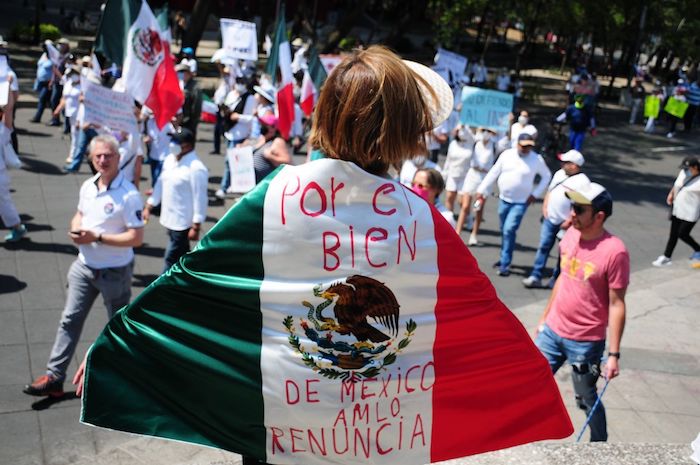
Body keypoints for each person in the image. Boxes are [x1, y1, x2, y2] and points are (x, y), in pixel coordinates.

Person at [22, 135, 144, 397]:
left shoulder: (129, 195)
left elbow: (137, 238)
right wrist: (76, 227)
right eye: (98, 156)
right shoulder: (89, 186)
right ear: (91, 158)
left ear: (118, 158)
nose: (103, 160)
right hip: (84, 266)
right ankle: (54, 376)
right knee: (69, 320)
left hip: (115, 272)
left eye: (108, 155)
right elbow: (80, 213)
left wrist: (97, 237)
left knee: (118, 326)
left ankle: (125, 378)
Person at [535, 182, 629, 442]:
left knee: (585, 398)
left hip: (585, 343)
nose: (571, 214)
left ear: (599, 216)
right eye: (571, 207)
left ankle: (599, 445)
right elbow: (562, 279)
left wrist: (613, 355)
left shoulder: (615, 251)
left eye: (578, 209)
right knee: (530, 383)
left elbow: (617, 303)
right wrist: (544, 318)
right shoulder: (569, 236)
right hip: (551, 333)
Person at [475, 133, 552, 276]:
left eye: (529, 146)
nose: (526, 149)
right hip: (504, 199)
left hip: (521, 202)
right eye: (523, 146)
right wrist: (481, 189)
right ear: (517, 144)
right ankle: (504, 256)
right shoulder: (507, 155)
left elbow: (546, 176)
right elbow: (494, 172)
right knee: (504, 229)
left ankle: (505, 262)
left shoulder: (536, 159)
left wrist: (535, 194)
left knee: (509, 230)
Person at [522, 149, 591, 288]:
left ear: (575, 166)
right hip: (550, 218)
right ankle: (536, 275)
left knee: (564, 252)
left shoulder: (583, 182)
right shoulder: (560, 174)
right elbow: (550, 189)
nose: (562, 165)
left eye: (566, 162)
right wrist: (545, 205)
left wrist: (570, 221)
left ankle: (557, 279)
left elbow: (582, 205)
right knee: (543, 247)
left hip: (566, 223)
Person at [144, 127, 208, 273]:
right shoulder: (170, 159)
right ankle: (191, 277)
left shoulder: (196, 168)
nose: (172, 143)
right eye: (173, 140)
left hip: (183, 222)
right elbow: (160, 183)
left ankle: (161, 288)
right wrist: (149, 205)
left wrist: (196, 225)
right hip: (169, 217)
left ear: (188, 146)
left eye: (177, 141)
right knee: (183, 254)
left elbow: (200, 198)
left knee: (170, 257)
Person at [652, 157, 700, 268]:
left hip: (691, 212)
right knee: (673, 234)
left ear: (695, 167)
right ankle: (666, 257)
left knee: (682, 234)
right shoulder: (683, 173)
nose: (685, 170)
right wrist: (671, 194)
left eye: (688, 168)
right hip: (678, 209)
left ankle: (698, 249)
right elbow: (677, 184)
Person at [215, 76, 256, 199]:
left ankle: (224, 187)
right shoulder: (232, 94)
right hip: (229, 133)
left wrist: (238, 117)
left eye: (242, 82)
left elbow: (251, 118)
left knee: (231, 162)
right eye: (238, 82)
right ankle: (233, 186)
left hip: (241, 134)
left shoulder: (250, 98)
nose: (239, 85)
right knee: (232, 162)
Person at [455, 127, 497, 245]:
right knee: (465, 205)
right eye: (484, 130)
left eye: (488, 131)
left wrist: (509, 122)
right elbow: (465, 134)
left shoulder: (494, 145)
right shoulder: (475, 141)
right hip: (472, 174)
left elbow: (507, 142)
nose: (486, 133)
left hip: (485, 178)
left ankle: (474, 234)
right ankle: (457, 232)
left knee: (478, 207)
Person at [1, 75, 27, 242]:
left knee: (4, 202)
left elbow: (9, 108)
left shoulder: (3, 129)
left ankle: (17, 227)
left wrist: (8, 86)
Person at [240, 114, 292, 184]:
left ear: (274, 128)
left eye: (265, 125)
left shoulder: (277, 141)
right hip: (253, 182)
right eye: (261, 124)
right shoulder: (261, 138)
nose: (262, 126)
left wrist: (271, 157)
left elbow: (287, 161)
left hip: (267, 184)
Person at [442, 124, 475, 215]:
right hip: (452, 174)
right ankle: (449, 220)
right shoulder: (453, 144)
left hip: (465, 176)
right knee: (449, 197)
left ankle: (468, 218)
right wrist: (444, 174)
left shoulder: (471, 144)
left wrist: (466, 126)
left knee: (462, 201)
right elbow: (448, 160)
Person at [176, 62, 202, 140]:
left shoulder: (194, 87)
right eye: (179, 72)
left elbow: (196, 106)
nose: (181, 74)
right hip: (177, 120)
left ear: (189, 73)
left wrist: (192, 121)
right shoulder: (178, 84)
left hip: (188, 121)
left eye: (183, 72)